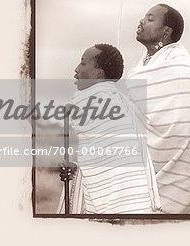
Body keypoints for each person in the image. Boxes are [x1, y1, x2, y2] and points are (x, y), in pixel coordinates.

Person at [57, 43, 161, 214]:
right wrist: (75, 169)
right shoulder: (125, 104)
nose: (76, 69)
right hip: (135, 202)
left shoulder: (90, 100)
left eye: (83, 64)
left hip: (113, 207)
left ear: (99, 73)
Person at [126, 4, 190, 213]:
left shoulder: (180, 67)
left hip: (179, 171)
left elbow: (182, 125)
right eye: (144, 16)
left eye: (150, 18)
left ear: (166, 31)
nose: (142, 21)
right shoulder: (144, 64)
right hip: (142, 167)